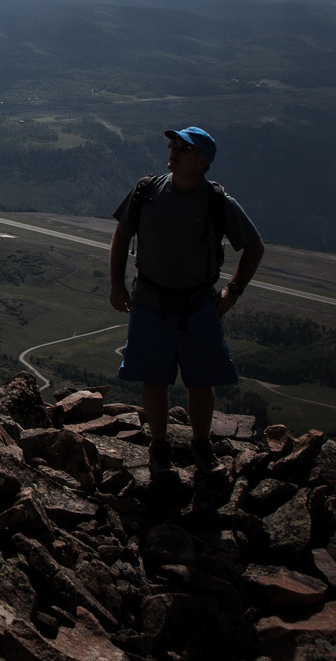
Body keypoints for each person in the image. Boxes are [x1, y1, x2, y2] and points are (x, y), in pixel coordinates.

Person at [107, 126, 267, 476]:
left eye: (184, 147)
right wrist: (117, 286)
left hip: (197, 305)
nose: (173, 150)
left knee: (200, 381)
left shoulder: (217, 202)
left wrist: (233, 291)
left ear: (202, 161)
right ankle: (159, 446)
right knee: (154, 378)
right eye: (173, 144)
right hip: (150, 300)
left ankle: (200, 445)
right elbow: (121, 237)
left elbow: (254, 246)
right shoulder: (147, 191)